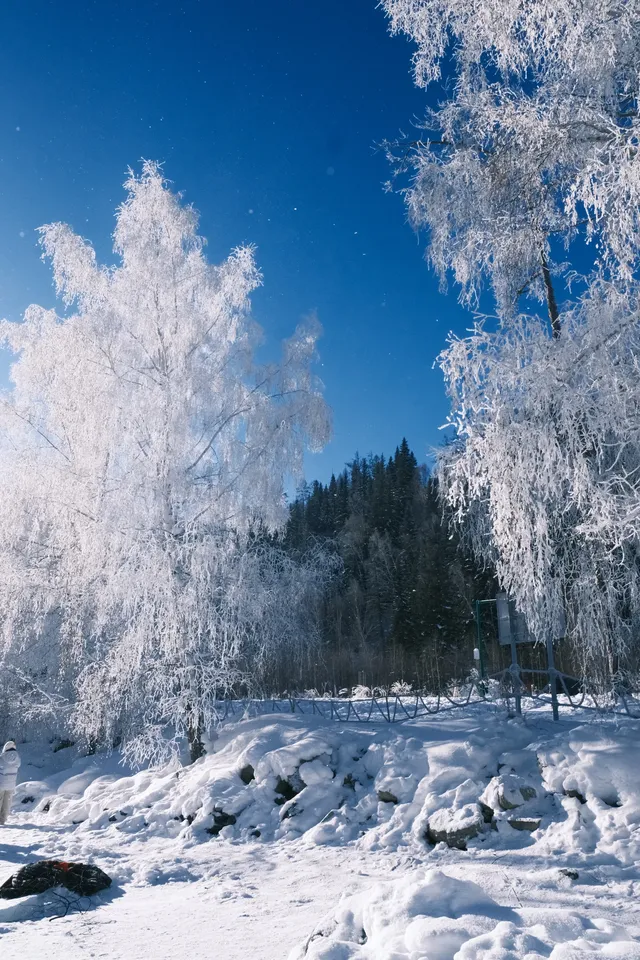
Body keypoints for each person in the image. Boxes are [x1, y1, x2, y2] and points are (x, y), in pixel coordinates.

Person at [0, 741, 21, 824]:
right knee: (7, 803)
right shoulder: (17, 759)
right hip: (11, 785)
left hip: (1, 783)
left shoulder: (2, 758)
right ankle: (2, 819)